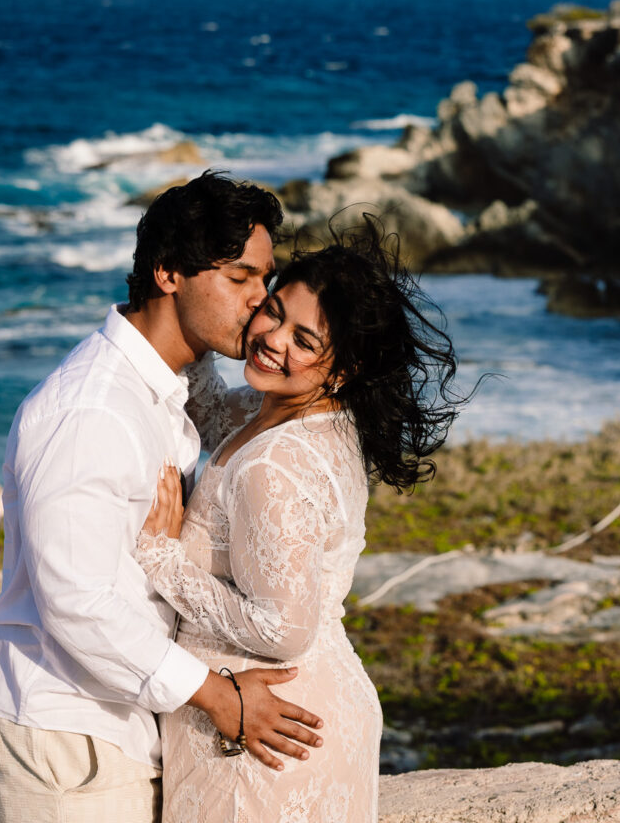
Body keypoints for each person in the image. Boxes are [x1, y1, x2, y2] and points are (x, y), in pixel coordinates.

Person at [0, 171, 324, 823]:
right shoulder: (90, 410)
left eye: (265, 282)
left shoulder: (162, 390)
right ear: (169, 274)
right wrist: (217, 696)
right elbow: (78, 601)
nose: (261, 304)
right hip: (65, 729)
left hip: (111, 721)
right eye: (240, 279)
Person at [134, 232, 465, 822]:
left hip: (269, 728)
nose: (272, 341)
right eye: (274, 311)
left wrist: (164, 560)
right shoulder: (307, 417)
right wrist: (209, 310)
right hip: (285, 713)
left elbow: (283, 628)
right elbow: (208, 408)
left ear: (343, 369)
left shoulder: (274, 463)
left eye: (304, 340)